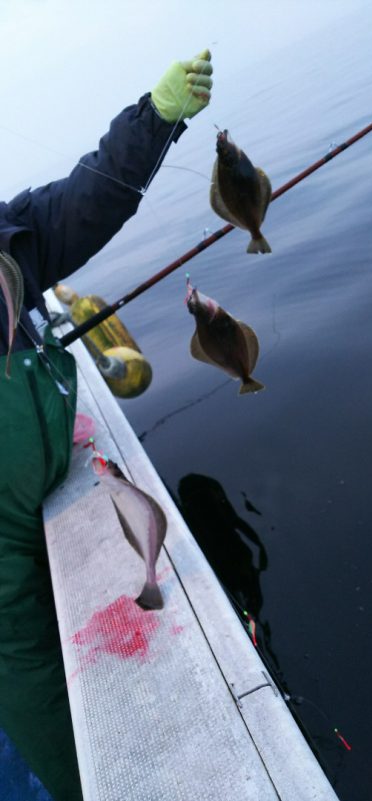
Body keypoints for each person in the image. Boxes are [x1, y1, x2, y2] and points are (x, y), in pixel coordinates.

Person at [0, 49, 213, 801]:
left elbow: (87, 199)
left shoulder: (11, 241)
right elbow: (16, 648)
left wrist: (154, 118)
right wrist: (83, 777)